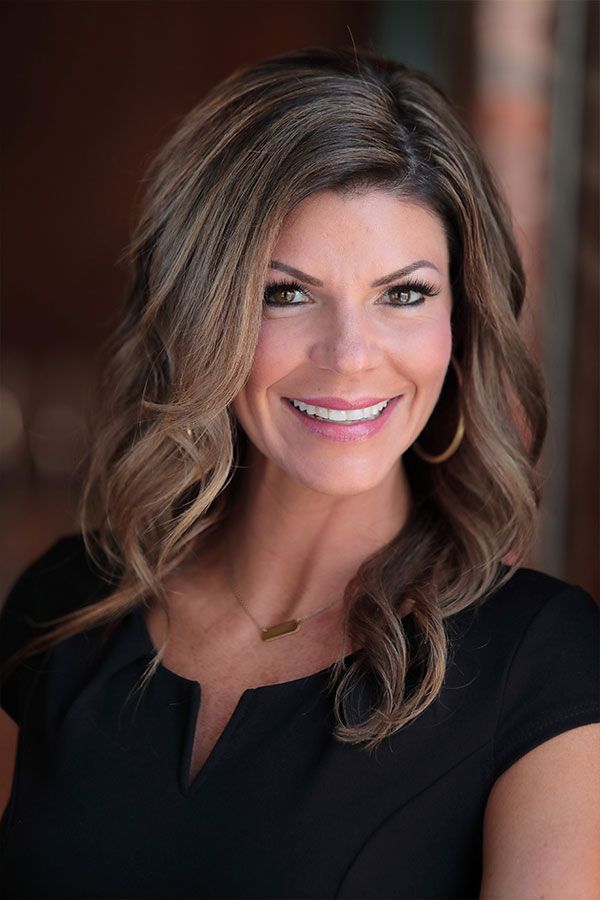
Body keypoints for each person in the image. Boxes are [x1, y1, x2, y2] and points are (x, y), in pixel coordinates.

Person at [0, 46, 598, 900]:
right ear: (202, 313)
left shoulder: (540, 663)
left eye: (404, 294)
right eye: (287, 293)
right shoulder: (62, 606)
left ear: (462, 320)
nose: (351, 358)